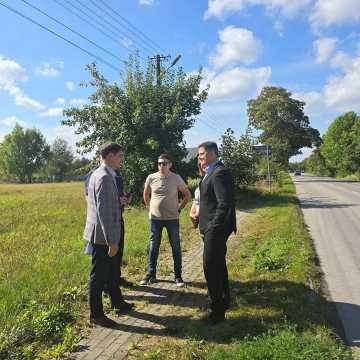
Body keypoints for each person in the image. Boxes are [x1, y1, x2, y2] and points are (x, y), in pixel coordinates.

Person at [84, 142, 133, 328]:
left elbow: (106, 203)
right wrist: (112, 241)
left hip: (104, 234)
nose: (122, 159)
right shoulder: (104, 177)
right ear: (110, 155)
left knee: (111, 270)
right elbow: (103, 213)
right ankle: (96, 314)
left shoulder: (104, 174)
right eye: (120, 155)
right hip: (103, 236)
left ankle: (117, 303)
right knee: (98, 275)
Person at [198, 141, 236, 325]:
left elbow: (224, 204)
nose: (200, 158)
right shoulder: (209, 172)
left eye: (202, 154)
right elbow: (208, 201)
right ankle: (223, 302)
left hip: (216, 230)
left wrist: (212, 227)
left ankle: (216, 311)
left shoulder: (219, 173)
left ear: (213, 153)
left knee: (210, 268)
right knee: (218, 266)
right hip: (210, 229)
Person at [141, 154, 191, 287]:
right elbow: (146, 194)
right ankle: (151, 275)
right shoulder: (151, 177)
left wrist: (179, 209)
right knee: (153, 246)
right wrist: (149, 207)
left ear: (170, 164)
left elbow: (187, 195)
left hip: (172, 219)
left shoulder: (176, 178)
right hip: (155, 219)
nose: (161, 166)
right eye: (159, 163)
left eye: (164, 163)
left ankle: (178, 276)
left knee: (175, 246)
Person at [190, 161, 206, 228]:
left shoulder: (212, 182)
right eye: (199, 167)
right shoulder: (200, 185)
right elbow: (197, 201)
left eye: (204, 167)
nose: (201, 169)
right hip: (200, 221)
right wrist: (191, 213)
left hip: (207, 220)